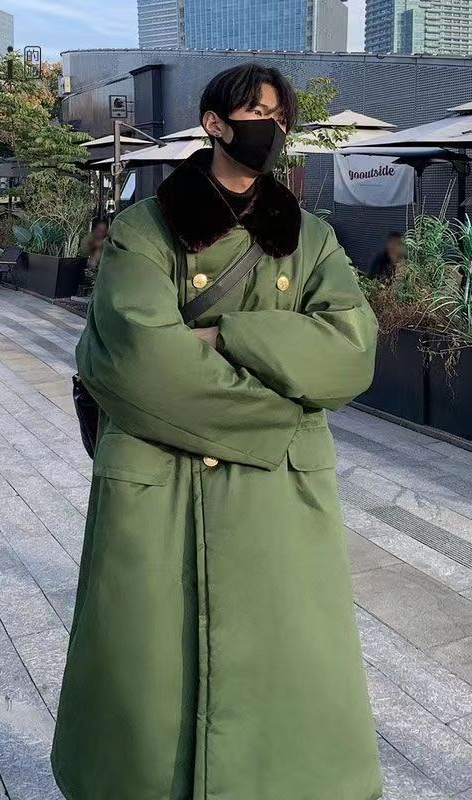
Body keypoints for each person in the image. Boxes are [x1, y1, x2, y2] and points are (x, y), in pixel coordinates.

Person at [51, 63, 382, 800]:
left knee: (288, 662)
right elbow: (138, 360)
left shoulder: (311, 238)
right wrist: (286, 405)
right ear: (215, 123)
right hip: (165, 484)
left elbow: (351, 351)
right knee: (147, 664)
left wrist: (226, 334)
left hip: (275, 500)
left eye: (281, 115)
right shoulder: (146, 229)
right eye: (258, 112)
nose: (274, 127)